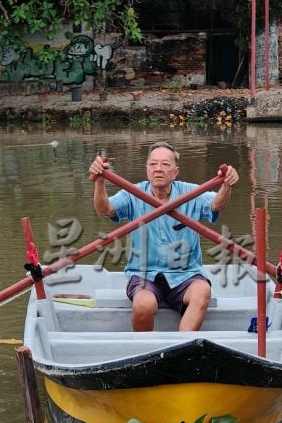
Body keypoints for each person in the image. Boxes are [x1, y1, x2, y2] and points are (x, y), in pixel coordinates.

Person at [89, 142, 239, 332]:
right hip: (144, 274)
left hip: (186, 275)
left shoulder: (191, 193)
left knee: (202, 291)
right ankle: (146, 352)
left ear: (175, 171)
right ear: (147, 169)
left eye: (165, 164)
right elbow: (104, 209)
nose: (158, 169)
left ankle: (180, 347)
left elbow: (216, 204)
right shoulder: (133, 194)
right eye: (153, 164)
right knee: (143, 304)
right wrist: (100, 181)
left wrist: (226, 185)